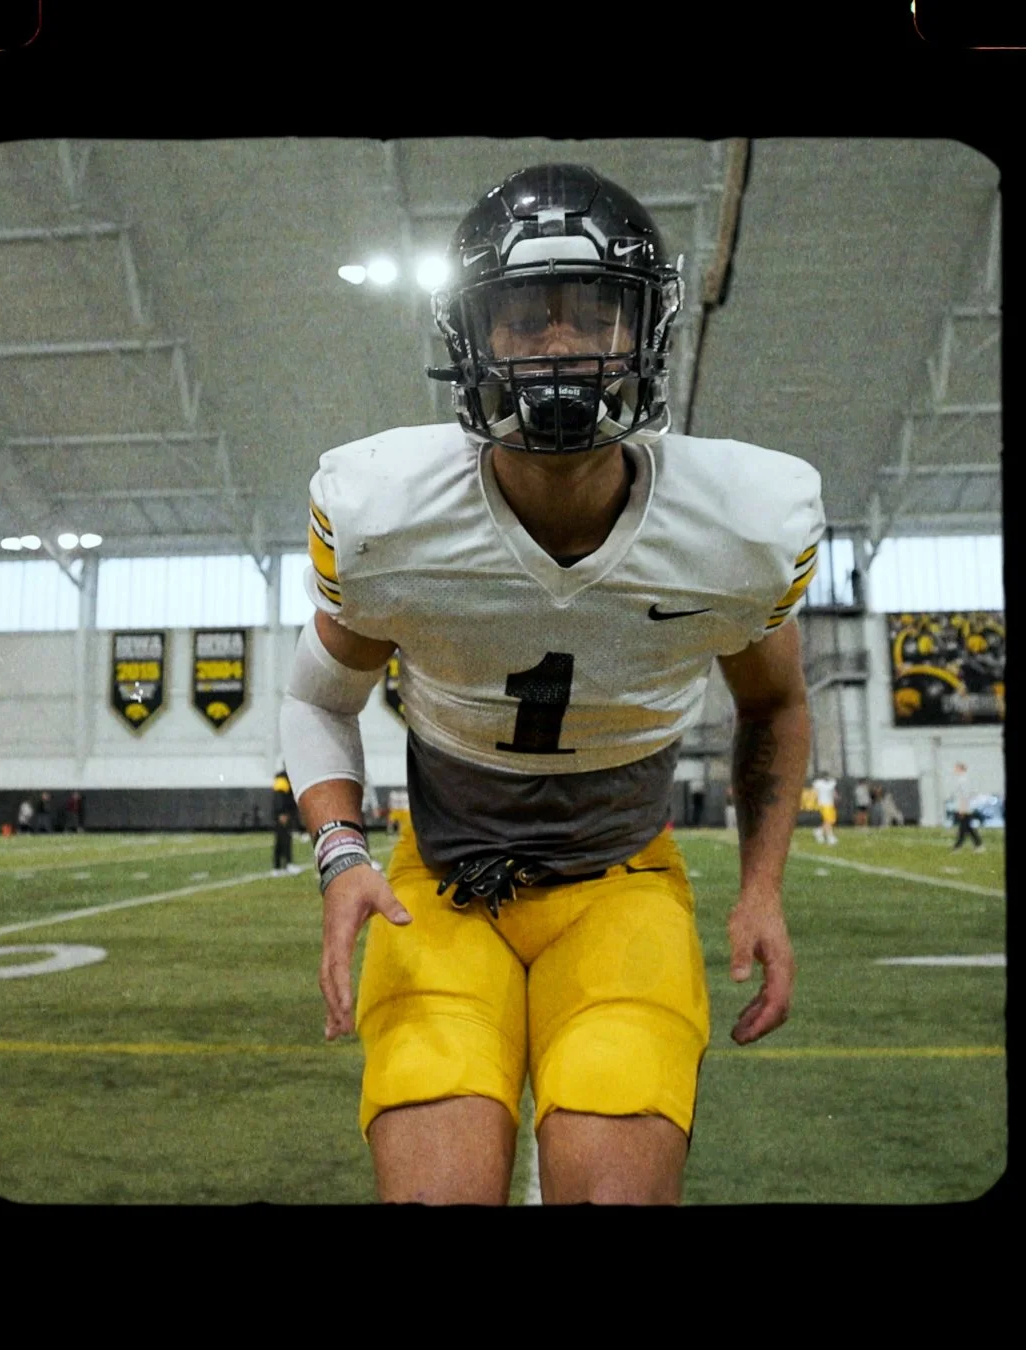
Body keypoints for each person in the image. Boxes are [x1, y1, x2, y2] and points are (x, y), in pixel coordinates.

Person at [280, 163, 824, 1206]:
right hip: (439, 891)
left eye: (594, 311)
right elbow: (315, 697)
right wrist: (341, 856)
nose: (561, 343)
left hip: (621, 886)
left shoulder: (740, 529)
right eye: (526, 315)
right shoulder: (388, 515)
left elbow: (776, 703)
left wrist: (762, 889)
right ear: (470, 337)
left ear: (648, 328)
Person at [950, 762, 983, 851]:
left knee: (963, 827)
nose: (954, 770)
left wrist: (962, 809)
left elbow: (964, 796)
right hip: (966, 807)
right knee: (968, 827)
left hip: (965, 808)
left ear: (960, 769)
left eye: (956, 768)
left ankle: (957, 846)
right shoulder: (963, 779)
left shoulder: (963, 780)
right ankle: (978, 845)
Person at [811, 772, 839, 844]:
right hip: (823, 804)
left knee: (830, 821)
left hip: (830, 804)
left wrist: (836, 796)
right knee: (828, 820)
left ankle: (819, 831)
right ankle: (830, 837)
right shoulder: (818, 783)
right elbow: (814, 792)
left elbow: (834, 792)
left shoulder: (831, 783)